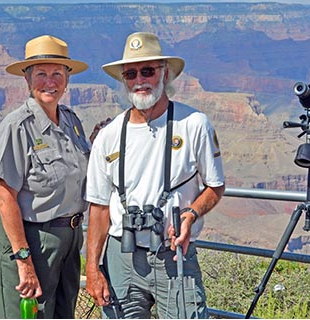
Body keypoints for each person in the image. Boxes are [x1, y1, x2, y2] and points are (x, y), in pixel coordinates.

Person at [84, 31, 225, 318]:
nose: (140, 80)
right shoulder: (108, 136)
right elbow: (98, 207)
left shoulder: (194, 124)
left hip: (174, 254)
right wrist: (92, 268)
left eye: (148, 71)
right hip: (121, 253)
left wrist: (191, 215)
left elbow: (215, 187)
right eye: (131, 73)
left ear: (165, 74)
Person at [0, 35, 91, 318]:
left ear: (67, 79)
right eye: (42, 74)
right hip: (31, 240)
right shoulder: (17, 127)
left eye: (57, 73)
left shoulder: (72, 121)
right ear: (27, 79)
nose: (50, 82)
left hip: (69, 240)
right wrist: (23, 259)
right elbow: (4, 196)